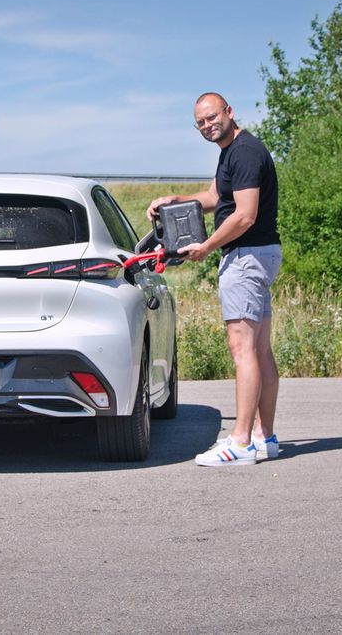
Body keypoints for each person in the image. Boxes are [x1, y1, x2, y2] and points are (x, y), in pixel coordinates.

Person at [148, 92, 282, 466]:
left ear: (229, 112)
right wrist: (175, 198)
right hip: (259, 255)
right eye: (201, 122)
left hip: (246, 258)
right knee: (259, 350)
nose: (208, 125)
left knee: (243, 351)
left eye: (212, 117)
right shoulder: (232, 153)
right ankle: (264, 436)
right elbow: (213, 196)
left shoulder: (245, 152)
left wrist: (206, 246)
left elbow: (245, 216)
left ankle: (240, 442)